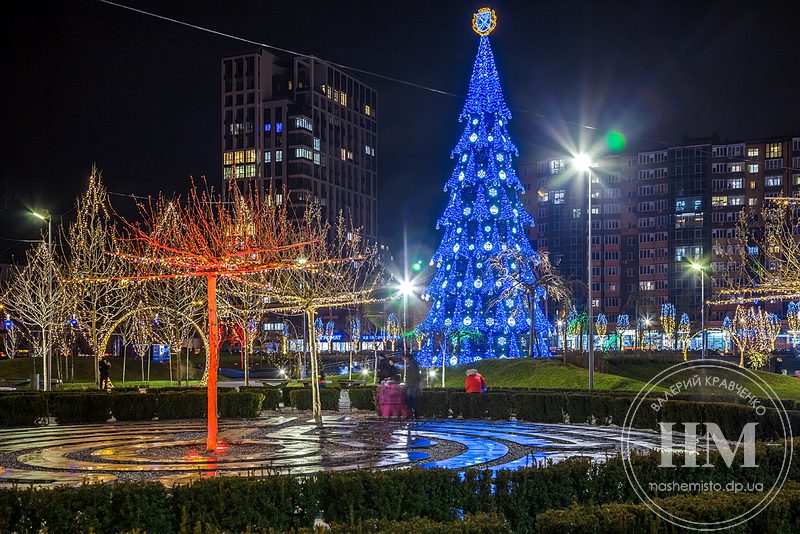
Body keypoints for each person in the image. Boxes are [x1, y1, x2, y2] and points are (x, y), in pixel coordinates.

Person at [402, 353, 421, 419]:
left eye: (404, 358)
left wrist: (410, 383)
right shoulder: (412, 363)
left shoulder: (412, 364)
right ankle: (414, 413)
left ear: (407, 358)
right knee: (411, 399)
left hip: (412, 385)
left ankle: (414, 413)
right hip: (412, 384)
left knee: (410, 399)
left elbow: (414, 375)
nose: (404, 360)